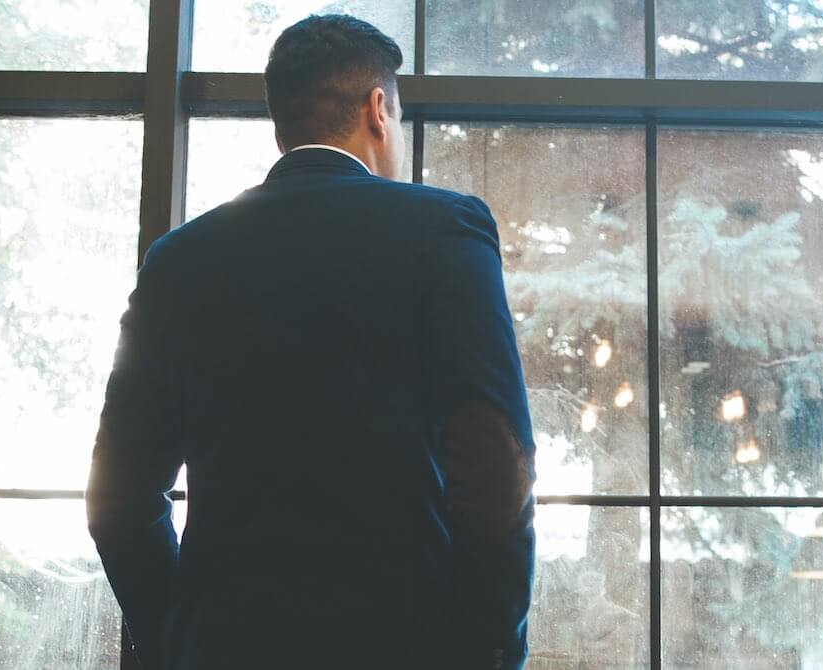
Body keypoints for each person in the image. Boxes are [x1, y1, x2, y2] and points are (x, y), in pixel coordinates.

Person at [85, 13, 536, 670]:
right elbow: (495, 463)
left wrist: (185, 637)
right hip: (406, 645)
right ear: (379, 109)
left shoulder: (180, 261)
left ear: (282, 121)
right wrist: (488, 647)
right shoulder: (443, 230)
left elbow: (117, 499)